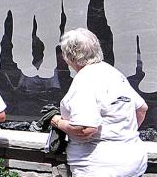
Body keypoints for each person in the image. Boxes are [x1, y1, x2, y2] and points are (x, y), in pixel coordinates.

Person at [50, 28, 148, 176]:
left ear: (69, 56)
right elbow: (141, 109)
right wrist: (122, 135)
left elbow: (85, 130)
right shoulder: (113, 73)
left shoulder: (85, 81)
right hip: (133, 161)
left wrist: (57, 121)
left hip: (100, 167)